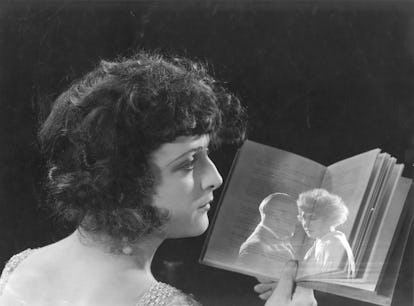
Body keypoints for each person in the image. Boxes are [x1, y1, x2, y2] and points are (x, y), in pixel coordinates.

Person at [0, 51, 316, 306]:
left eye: (207, 155)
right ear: (122, 181)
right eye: (189, 161)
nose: (215, 178)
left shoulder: (20, 267)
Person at [297, 188, 355, 278]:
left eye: (312, 218)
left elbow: (329, 286)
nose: (306, 223)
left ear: (328, 219)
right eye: (304, 217)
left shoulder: (333, 245)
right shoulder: (321, 242)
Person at [238, 193, 298, 277]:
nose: (296, 221)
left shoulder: (281, 243)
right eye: (293, 215)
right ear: (274, 215)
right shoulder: (255, 247)